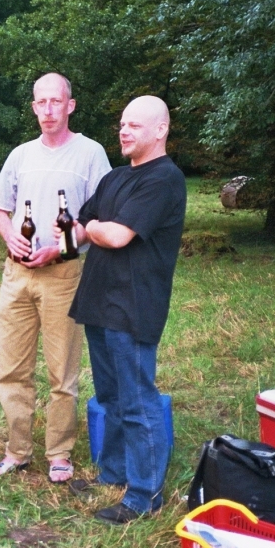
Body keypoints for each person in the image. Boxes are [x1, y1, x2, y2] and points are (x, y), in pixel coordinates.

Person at [68, 95, 187, 524]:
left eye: (135, 125)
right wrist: (93, 229)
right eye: (122, 123)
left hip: (134, 305)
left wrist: (97, 227)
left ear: (160, 130)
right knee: (111, 397)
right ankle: (115, 472)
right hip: (99, 300)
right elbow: (81, 225)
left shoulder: (165, 179)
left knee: (138, 402)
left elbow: (114, 235)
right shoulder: (116, 177)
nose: (124, 131)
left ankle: (143, 495)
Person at [0, 73, 111, 483]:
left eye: (55, 102)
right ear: (33, 108)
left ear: (70, 105)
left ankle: (59, 453)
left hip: (64, 274)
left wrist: (59, 247)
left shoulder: (91, 154)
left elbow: (99, 218)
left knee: (63, 372)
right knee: (10, 369)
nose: (48, 110)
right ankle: (17, 450)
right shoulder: (21, 155)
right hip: (17, 274)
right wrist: (10, 239)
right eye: (40, 103)